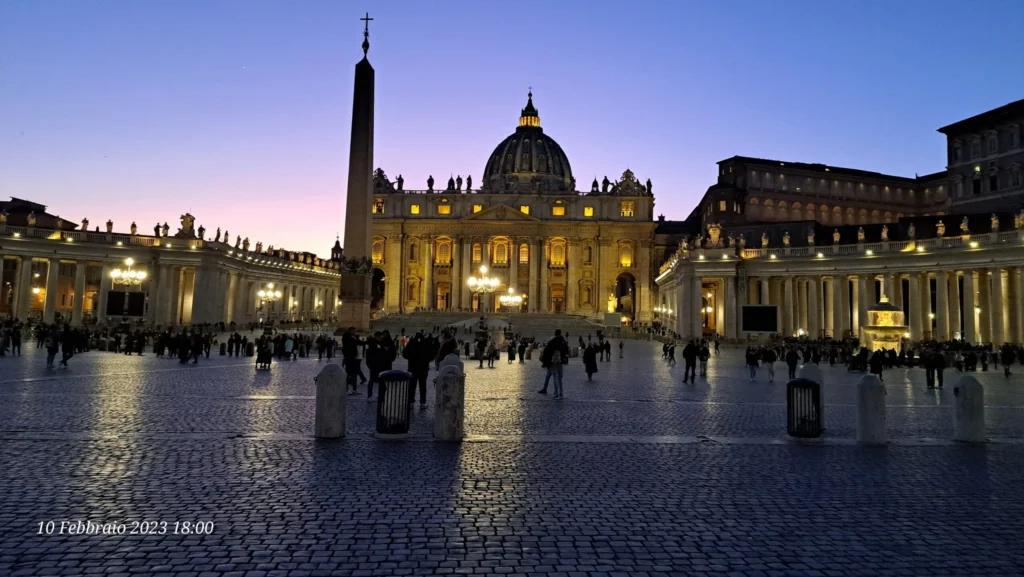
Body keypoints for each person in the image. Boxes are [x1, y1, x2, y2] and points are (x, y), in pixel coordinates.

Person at [402, 331, 431, 406]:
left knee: (412, 386)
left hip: (412, 368)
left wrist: (411, 357)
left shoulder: (411, 344)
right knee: (423, 386)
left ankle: (411, 401)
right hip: (423, 369)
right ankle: (422, 402)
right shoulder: (426, 344)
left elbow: (404, 354)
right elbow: (431, 356)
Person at [539, 329, 570, 399]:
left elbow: (546, 351)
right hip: (561, 362)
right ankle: (561, 393)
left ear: (555, 334)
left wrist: (545, 361)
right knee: (560, 378)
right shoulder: (563, 341)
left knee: (555, 377)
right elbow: (567, 351)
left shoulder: (552, 341)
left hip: (553, 362)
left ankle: (556, 394)